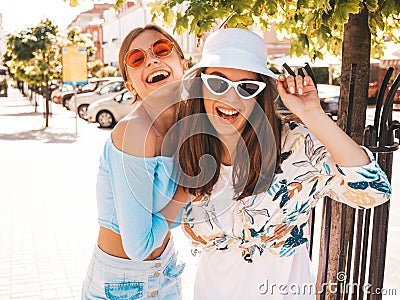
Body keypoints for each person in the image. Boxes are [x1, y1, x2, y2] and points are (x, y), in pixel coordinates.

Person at [177, 28, 391, 299]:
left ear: (260, 94)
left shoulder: (295, 147)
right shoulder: (188, 150)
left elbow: (374, 191)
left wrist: (314, 115)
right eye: (217, 84)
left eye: (246, 87)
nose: (230, 99)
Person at [81, 24, 189, 299]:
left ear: (183, 64)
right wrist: (185, 192)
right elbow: (138, 248)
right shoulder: (135, 132)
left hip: (166, 268)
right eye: (137, 59)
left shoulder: (186, 127)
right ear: (131, 85)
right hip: (123, 284)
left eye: (161, 50)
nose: (152, 59)